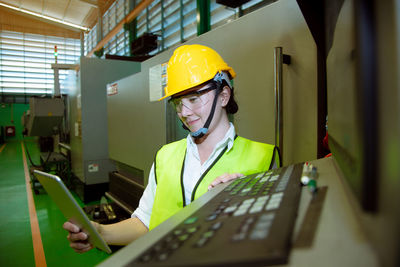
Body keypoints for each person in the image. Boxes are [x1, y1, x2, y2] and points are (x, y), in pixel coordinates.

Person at [63, 44, 279, 253]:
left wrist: (244, 208)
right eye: (178, 102)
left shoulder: (264, 158)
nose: (184, 112)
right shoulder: (166, 155)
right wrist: (100, 232)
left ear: (223, 96)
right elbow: (144, 223)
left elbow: (274, 238)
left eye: (194, 99)